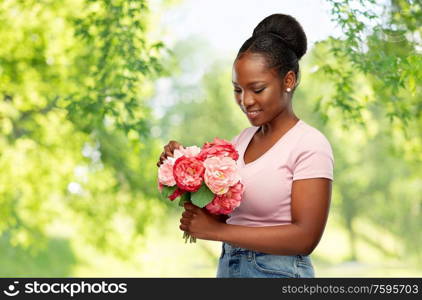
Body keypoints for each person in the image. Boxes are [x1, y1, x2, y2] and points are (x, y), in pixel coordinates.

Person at [156, 13, 333, 278]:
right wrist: (183, 171)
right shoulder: (241, 141)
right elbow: (227, 217)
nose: (245, 100)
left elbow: (305, 238)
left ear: (289, 81)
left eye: (257, 89)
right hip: (231, 268)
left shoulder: (309, 144)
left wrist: (216, 232)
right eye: (238, 89)